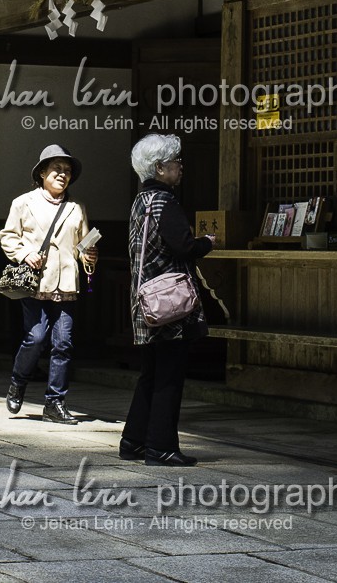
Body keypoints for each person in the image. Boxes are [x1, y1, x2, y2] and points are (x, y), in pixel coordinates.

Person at [122, 134, 212, 466]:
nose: (181, 167)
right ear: (160, 168)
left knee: (151, 371)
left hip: (144, 299)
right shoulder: (164, 201)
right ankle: (161, 446)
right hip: (167, 303)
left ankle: (133, 440)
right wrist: (208, 242)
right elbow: (185, 247)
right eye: (176, 162)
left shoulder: (140, 201)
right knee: (169, 374)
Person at [1, 143, 97, 424]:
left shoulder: (76, 207)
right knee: (36, 337)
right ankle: (18, 380)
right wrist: (25, 253)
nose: (62, 174)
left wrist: (89, 256)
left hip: (66, 283)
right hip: (36, 284)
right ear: (42, 173)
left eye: (67, 171)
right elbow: (8, 237)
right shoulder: (23, 203)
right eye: (56, 169)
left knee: (63, 344)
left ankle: (55, 403)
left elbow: (83, 246)